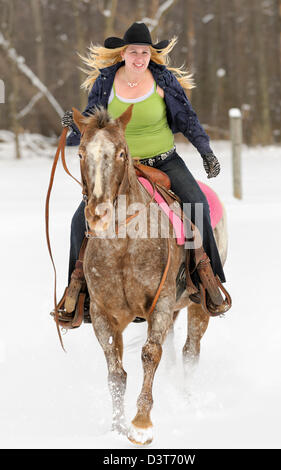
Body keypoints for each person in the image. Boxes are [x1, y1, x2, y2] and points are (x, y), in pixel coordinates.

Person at [61, 22, 229, 315]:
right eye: (134, 52)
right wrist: (73, 128)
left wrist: (206, 152)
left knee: (197, 206)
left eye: (145, 52)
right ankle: (78, 291)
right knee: (80, 221)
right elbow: (91, 123)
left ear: (151, 55)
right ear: (123, 53)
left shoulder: (164, 81)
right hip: (121, 166)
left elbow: (188, 119)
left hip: (164, 161)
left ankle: (208, 280)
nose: (139, 58)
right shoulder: (106, 82)